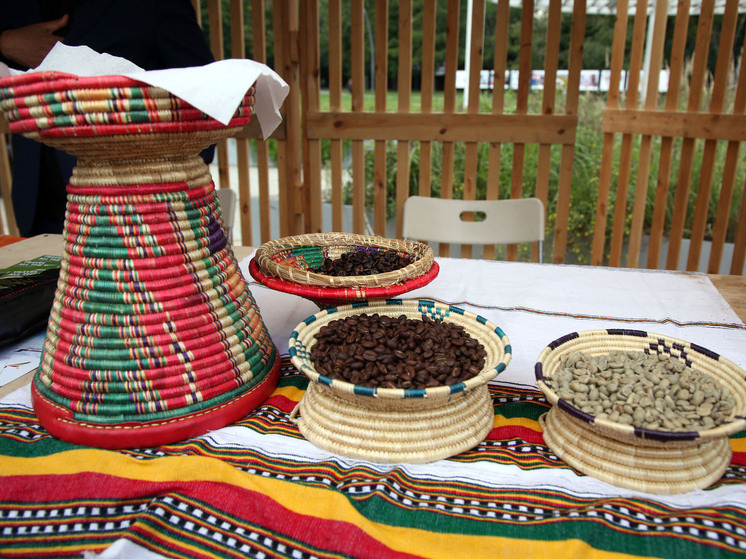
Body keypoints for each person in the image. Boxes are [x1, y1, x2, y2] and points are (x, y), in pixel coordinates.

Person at [0, 0, 216, 237]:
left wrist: (178, 185)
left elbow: (204, 91)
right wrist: (4, 41)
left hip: (138, 207)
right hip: (36, 200)